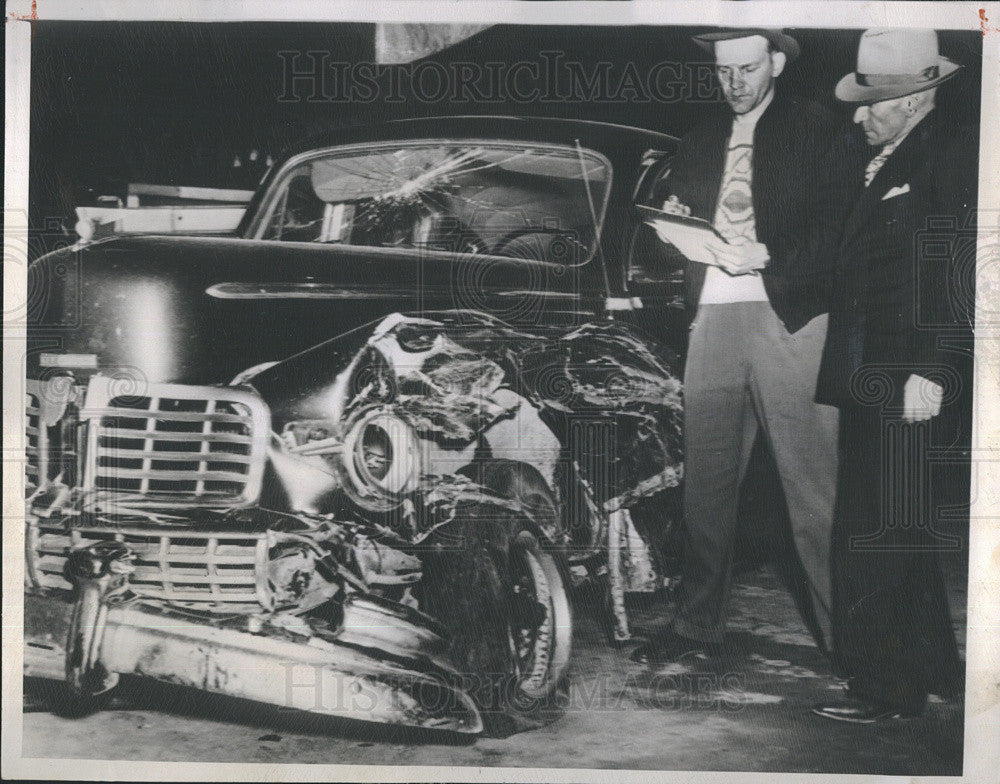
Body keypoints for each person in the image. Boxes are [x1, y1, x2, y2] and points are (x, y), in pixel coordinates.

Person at [632, 29, 851, 663]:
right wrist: (670, 224)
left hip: (790, 311)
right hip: (715, 313)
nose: (735, 83)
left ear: (777, 63)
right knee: (707, 481)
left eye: (748, 69)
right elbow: (672, 210)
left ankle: (850, 644)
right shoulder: (701, 134)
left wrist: (772, 254)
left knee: (813, 490)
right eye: (724, 71)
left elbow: (842, 227)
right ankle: (698, 624)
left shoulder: (817, 126)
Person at [812, 27, 976, 723]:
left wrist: (934, 371)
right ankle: (936, 669)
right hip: (873, 368)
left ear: (914, 101)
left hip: (906, 370)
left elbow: (961, 271)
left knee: (873, 531)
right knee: (898, 526)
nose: (859, 113)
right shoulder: (893, 155)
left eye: (874, 101)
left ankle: (886, 689)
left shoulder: (949, 156)